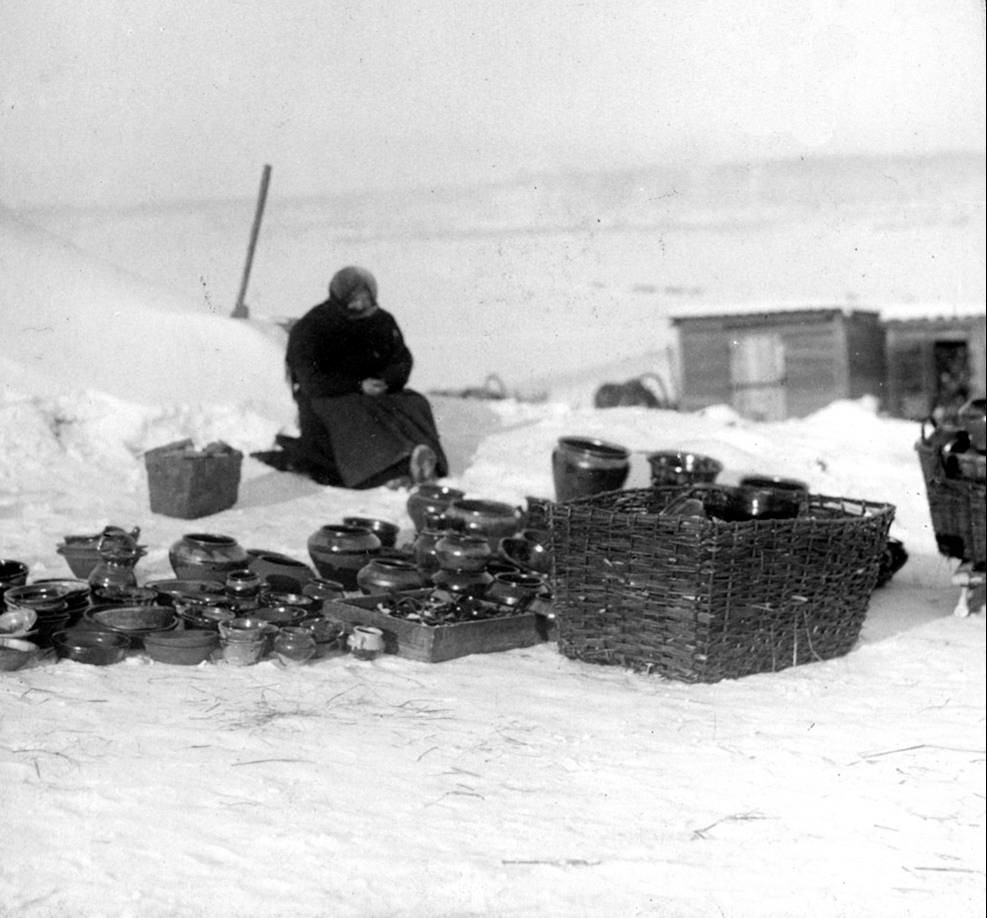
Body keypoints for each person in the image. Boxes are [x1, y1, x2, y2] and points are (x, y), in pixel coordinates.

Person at [255, 266, 448, 489]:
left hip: (374, 390)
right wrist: (357, 386)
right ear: (341, 297)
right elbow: (311, 381)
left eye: (366, 298)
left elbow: (401, 360)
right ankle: (386, 472)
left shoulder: (381, 321)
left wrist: (387, 380)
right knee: (354, 415)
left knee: (415, 403)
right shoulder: (312, 326)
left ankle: (424, 460)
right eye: (355, 298)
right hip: (328, 396)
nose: (362, 304)